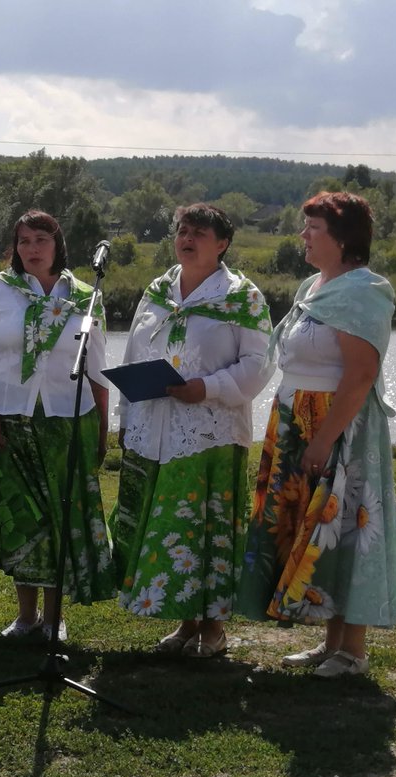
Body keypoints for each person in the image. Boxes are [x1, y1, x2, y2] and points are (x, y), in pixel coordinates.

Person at [237, 191, 396, 677]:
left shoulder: (364, 290)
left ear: (342, 237)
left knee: (343, 527)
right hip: (296, 417)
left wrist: (322, 439)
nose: (303, 235)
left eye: (313, 227)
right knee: (312, 528)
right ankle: (329, 641)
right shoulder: (311, 287)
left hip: (339, 425)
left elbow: (359, 376)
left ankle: (352, 650)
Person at [111, 203, 273, 657]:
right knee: (172, 529)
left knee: (207, 530)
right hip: (154, 429)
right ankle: (186, 625)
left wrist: (208, 387)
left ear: (222, 244)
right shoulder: (158, 290)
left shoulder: (243, 297)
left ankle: (214, 630)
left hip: (210, 434)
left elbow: (260, 365)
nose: (187, 237)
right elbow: (133, 355)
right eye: (182, 230)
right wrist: (126, 417)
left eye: (199, 231)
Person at [0, 210, 117, 642]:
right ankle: (26, 616)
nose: (32, 249)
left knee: (59, 520)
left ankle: (54, 618)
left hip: (67, 422)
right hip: (7, 420)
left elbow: (98, 371)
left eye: (41, 239)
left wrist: (101, 432)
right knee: (21, 521)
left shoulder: (85, 296)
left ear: (57, 244)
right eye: (23, 241)